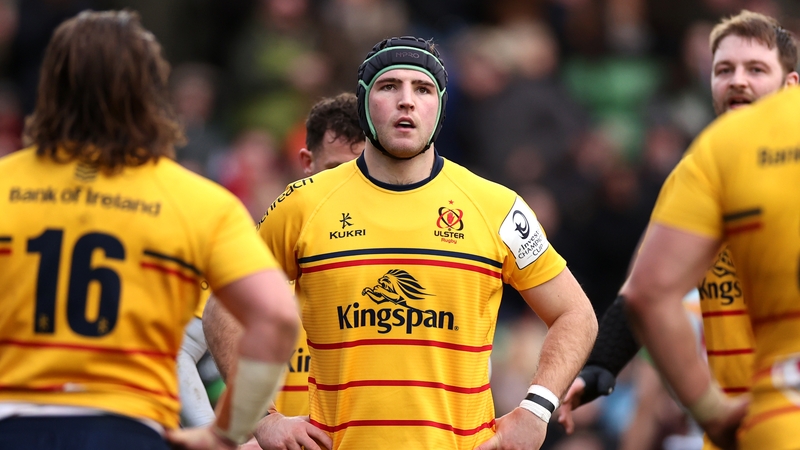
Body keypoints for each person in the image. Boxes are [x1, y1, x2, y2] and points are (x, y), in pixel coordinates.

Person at [204, 35, 597, 450]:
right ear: (364, 103)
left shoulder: (497, 206)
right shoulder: (302, 205)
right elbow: (223, 308)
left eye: (423, 88)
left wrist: (536, 410)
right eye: (389, 86)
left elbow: (576, 314)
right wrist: (262, 419)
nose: (406, 101)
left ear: (440, 107)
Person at [0, 10, 299, 450]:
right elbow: (274, 318)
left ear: (51, 85)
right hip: (130, 428)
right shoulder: (198, 200)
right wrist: (227, 432)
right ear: (151, 90)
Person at [556, 9, 800, 449]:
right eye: (723, 70)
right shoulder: (700, 166)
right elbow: (646, 289)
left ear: (791, 85)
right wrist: (603, 367)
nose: (737, 81)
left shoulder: (707, 161)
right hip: (743, 426)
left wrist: (709, 410)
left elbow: (649, 293)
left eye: (756, 69)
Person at [177, 92, 364, 427]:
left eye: (359, 172)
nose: (346, 186)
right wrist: (222, 436)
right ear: (306, 163)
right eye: (335, 169)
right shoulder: (255, 251)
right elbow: (177, 351)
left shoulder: (402, 248)